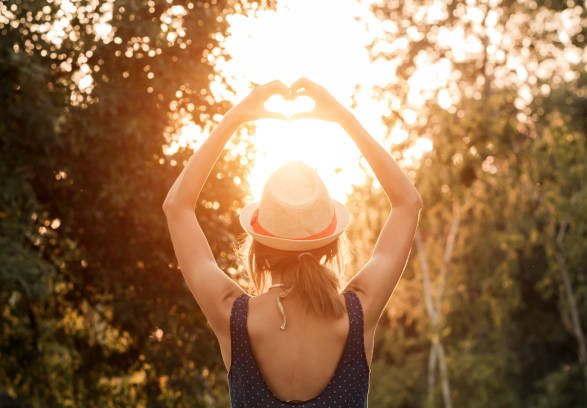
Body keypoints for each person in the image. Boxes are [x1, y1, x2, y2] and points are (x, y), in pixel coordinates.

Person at [162, 78, 423, 407]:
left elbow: (177, 207)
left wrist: (235, 117)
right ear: (331, 244)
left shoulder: (232, 315)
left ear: (259, 246)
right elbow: (407, 204)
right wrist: (344, 117)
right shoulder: (358, 311)